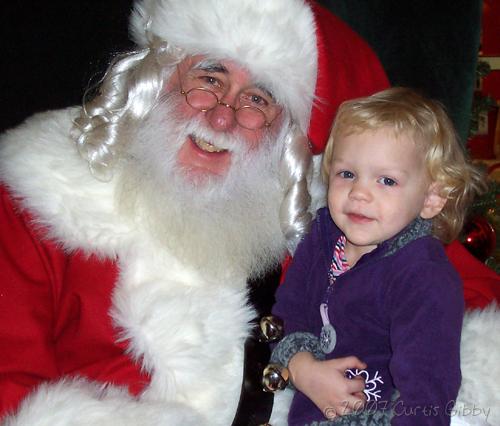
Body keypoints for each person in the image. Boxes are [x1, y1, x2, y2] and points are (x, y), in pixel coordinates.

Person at [0, 1, 498, 425]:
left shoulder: (334, 208)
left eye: (257, 99)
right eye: (208, 78)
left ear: (287, 134)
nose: (222, 115)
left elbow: (470, 305)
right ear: (156, 80)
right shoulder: (43, 191)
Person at [270, 88, 490, 426]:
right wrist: (302, 368)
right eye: (347, 174)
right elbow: (289, 312)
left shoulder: (424, 275)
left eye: (386, 180)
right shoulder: (323, 236)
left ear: (431, 198)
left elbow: (429, 391)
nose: (359, 192)